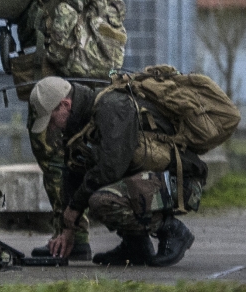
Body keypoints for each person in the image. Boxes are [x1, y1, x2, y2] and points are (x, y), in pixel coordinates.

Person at [0, 0, 95, 261]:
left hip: (52, 80)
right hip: (84, 81)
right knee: (74, 156)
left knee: (52, 157)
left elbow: (4, 4)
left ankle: (70, 238)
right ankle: (75, 235)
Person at [33, 75, 198, 267]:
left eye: (52, 119)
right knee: (97, 192)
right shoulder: (78, 122)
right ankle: (136, 246)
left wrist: (75, 207)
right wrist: (68, 229)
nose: (52, 127)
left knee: (101, 200)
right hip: (150, 183)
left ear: (65, 105)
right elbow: (74, 171)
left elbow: (110, 169)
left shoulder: (112, 107)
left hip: (179, 185)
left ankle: (171, 230)